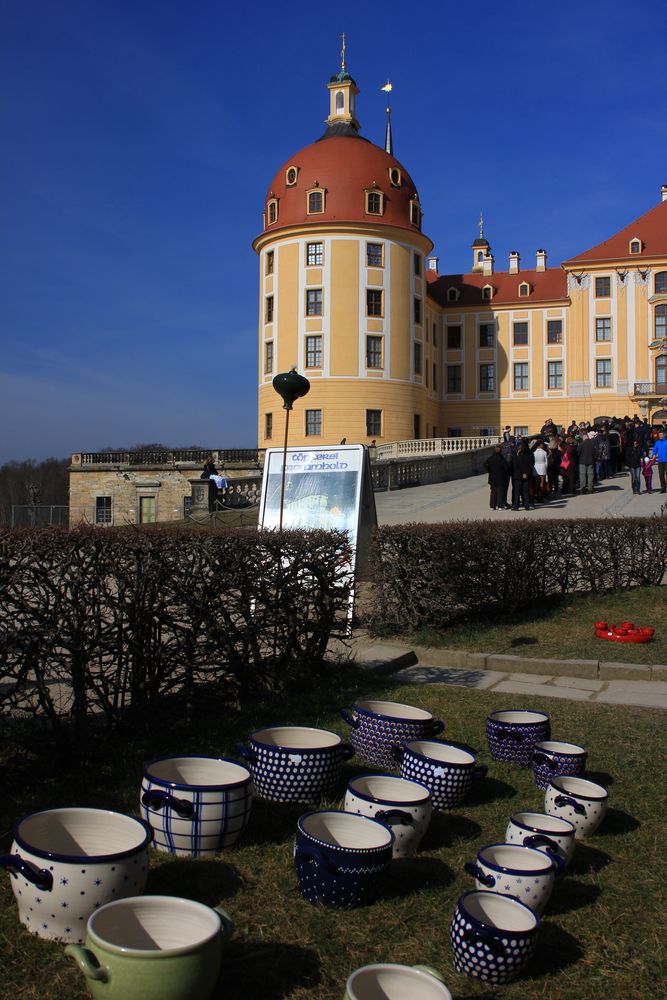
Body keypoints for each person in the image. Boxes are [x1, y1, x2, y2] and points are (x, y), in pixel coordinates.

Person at [484, 445, 509, 510]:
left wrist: (489, 470)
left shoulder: (490, 458)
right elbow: (506, 467)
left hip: (492, 477)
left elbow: (485, 464)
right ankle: (500, 506)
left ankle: (492, 506)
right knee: (500, 492)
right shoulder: (502, 458)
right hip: (501, 477)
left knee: (493, 493)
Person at [511, 443, 534, 510]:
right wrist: (526, 473)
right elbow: (531, 466)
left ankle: (516, 506)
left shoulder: (516, 457)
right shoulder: (527, 457)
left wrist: (522, 474)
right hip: (526, 476)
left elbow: (516, 467)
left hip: (518, 476)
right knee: (525, 492)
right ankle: (527, 505)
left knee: (517, 492)